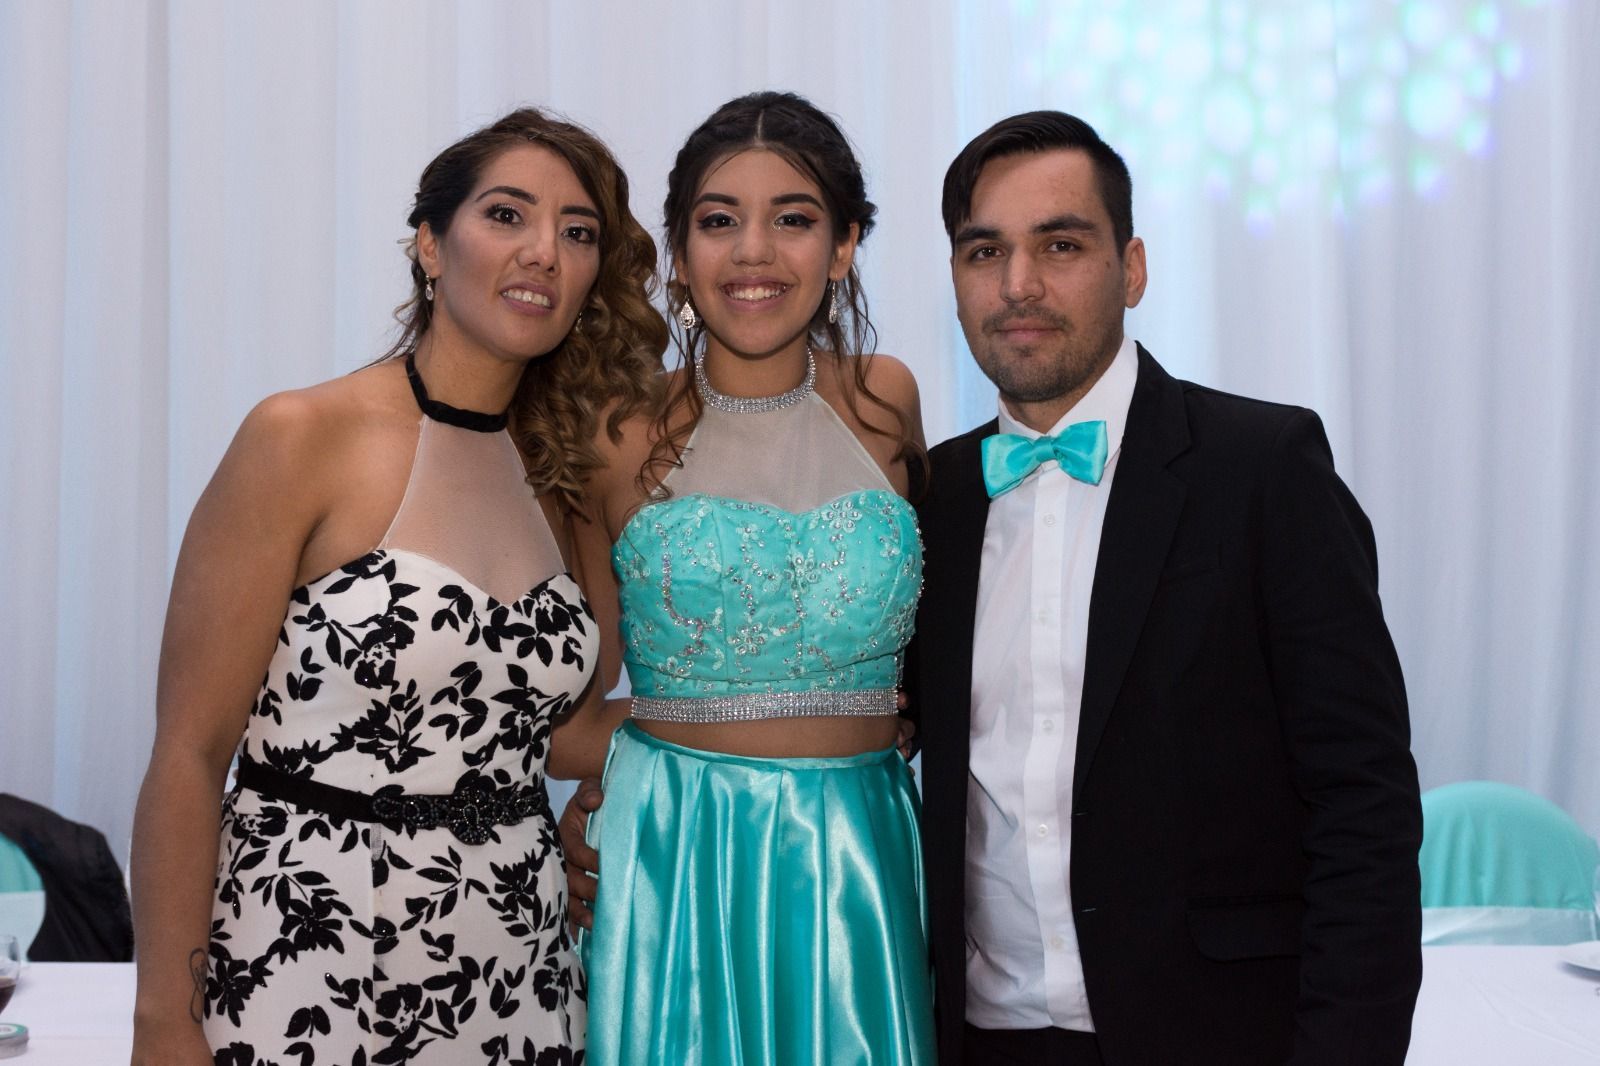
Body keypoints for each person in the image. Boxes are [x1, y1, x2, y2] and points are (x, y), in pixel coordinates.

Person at [128, 107, 667, 1065]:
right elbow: (189, 752)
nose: (544, 251)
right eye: (507, 215)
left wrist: (803, 712)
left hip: (517, 965)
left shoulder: (563, 477)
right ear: (429, 244)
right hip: (307, 953)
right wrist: (163, 1020)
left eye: (578, 232)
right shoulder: (300, 436)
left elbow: (563, 735)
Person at [909, 111, 1423, 1064]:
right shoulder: (930, 499)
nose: (1018, 284)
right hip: (981, 1039)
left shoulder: (1264, 468)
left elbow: (1364, 805)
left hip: (1219, 1037)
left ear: (1132, 268)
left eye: (1061, 245)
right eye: (986, 251)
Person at [554, 91, 936, 1065]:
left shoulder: (888, 402)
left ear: (844, 246)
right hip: (675, 855)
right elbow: (561, 712)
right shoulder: (616, 434)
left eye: (793, 219)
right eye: (719, 221)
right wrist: (626, 783)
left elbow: (938, 651)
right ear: (680, 256)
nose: (753, 251)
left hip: (859, 856)